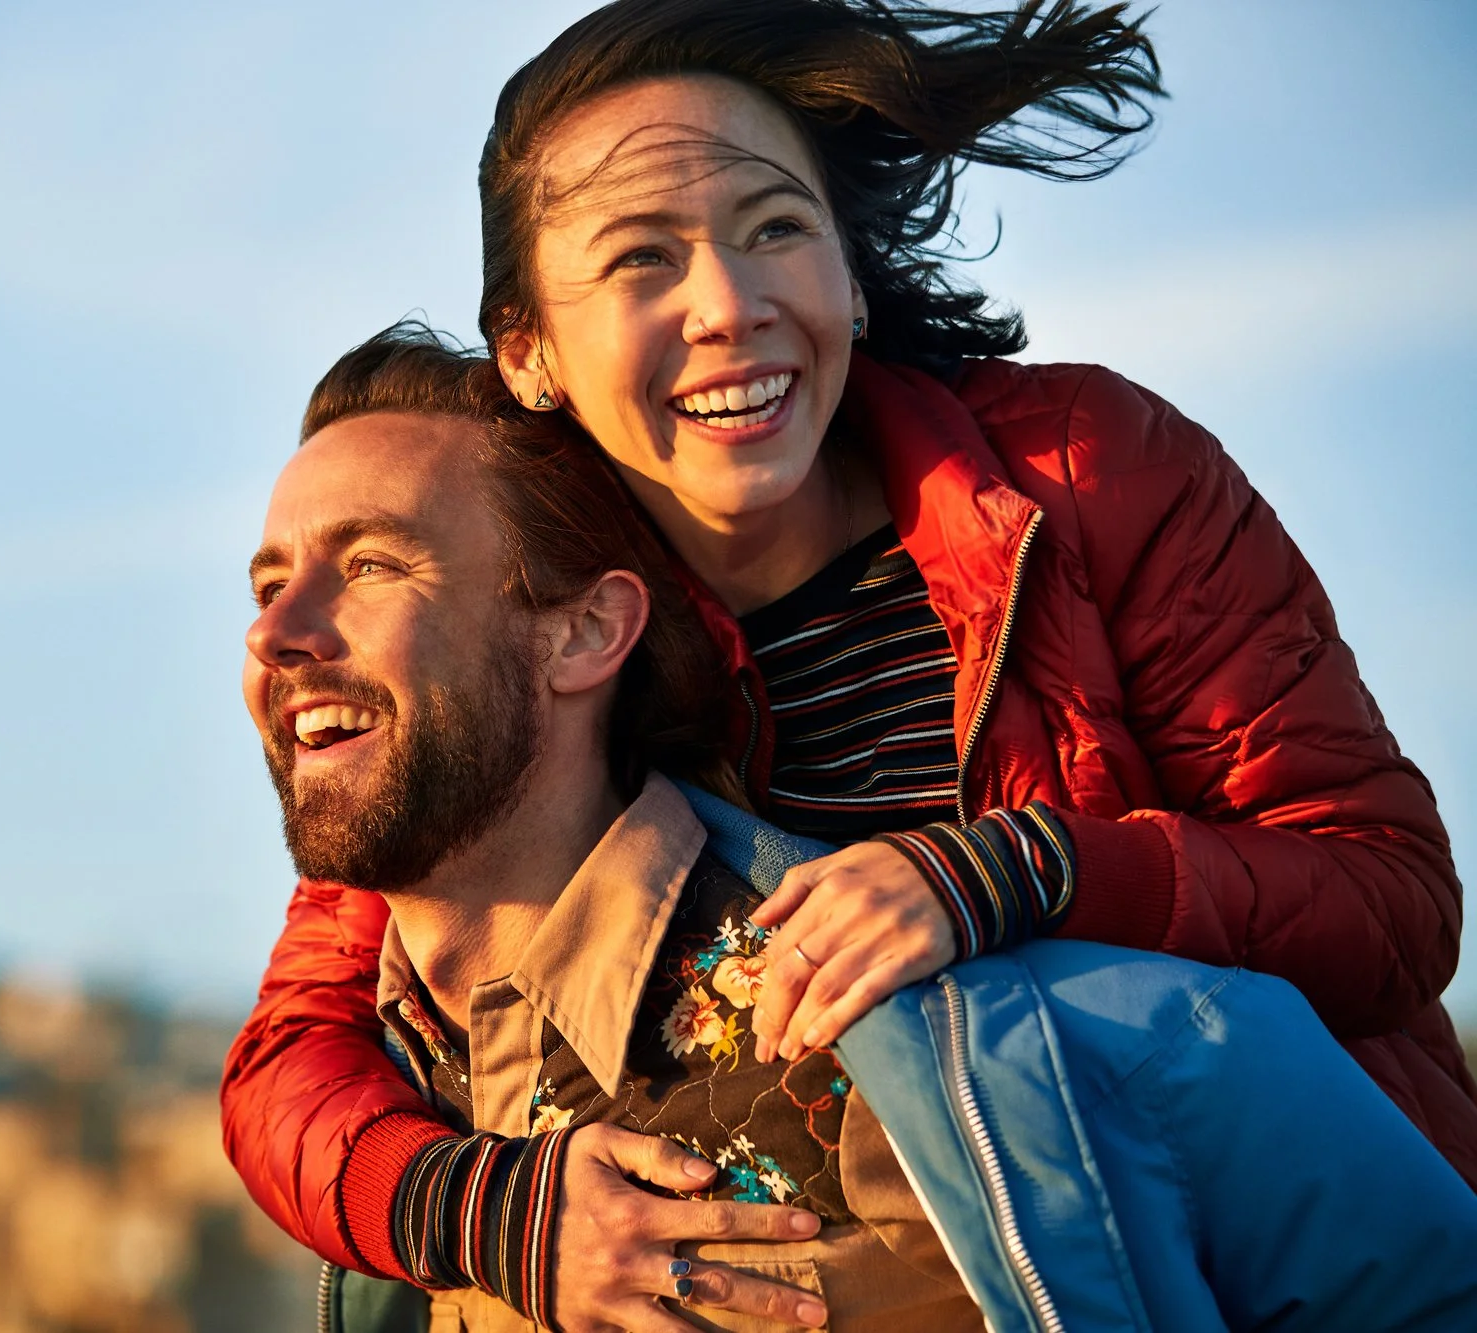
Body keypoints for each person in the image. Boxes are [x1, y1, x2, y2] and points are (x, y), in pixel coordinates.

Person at [223, 2, 1477, 1327]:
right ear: (529, 351)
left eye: (777, 230)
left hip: (1263, 1254)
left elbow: (1389, 904)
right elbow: (298, 1054)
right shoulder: (547, 610)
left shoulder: (1094, 474)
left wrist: (1013, 871)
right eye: (644, 259)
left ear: (851, 273)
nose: (730, 305)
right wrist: (494, 1215)